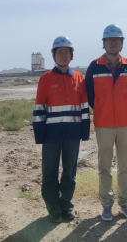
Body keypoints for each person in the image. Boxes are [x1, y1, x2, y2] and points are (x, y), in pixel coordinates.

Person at [32, 36, 90, 223]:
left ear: (71, 55)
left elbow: (84, 107)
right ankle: (53, 206)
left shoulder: (79, 79)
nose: (63, 55)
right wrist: (40, 135)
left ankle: (66, 204)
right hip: (52, 135)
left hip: (73, 134)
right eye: (60, 52)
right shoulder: (46, 79)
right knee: (49, 171)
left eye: (67, 52)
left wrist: (84, 132)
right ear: (54, 56)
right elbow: (39, 107)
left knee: (69, 172)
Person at [85, 24, 127, 222]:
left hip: (125, 124)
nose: (113, 43)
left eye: (117, 40)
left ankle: (124, 203)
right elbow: (90, 95)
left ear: (122, 43)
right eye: (109, 40)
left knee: (125, 166)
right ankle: (106, 204)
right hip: (104, 124)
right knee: (104, 166)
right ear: (104, 43)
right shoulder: (94, 66)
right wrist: (102, 109)